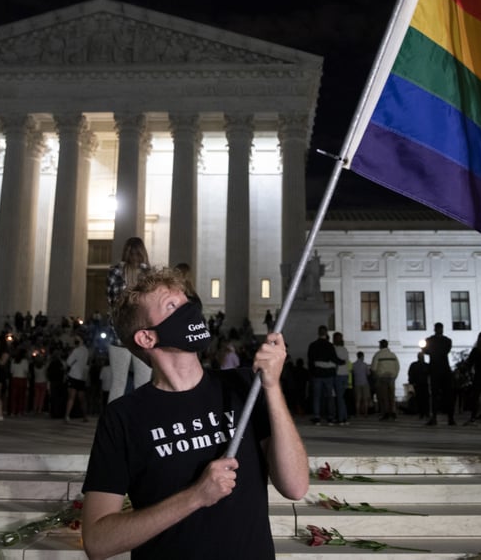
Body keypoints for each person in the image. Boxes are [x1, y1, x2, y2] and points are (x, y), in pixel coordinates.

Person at [79, 266, 308, 558]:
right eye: (172, 306)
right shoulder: (123, 417)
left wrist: (272, 387)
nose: (189, 311)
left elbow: (296, 486)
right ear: (147, 338)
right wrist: (195, 497)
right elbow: (98, 541)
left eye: (186, 302)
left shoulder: (244, 386)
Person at [106, 237, 153, 402]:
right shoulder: (149, 275)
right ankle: (138, 424)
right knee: (141, 384)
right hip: (140, 335)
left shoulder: (115, 272)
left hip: (124, 334)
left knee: (119, 383)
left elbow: (112, 302)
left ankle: (114, 425)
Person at [306, 325, 340, 425]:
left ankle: (317, 417)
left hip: (317, 374)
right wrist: (341, 362)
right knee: (329, 396)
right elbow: (334, 358)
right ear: (326, 333)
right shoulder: (329, 345)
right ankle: (330, 417)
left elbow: (310, 360)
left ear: (318, 332)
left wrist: (312, 372)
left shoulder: (313, 345)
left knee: (317, 396)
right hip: (328, 374)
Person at [425, 322, 455, 426]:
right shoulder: (447, 341)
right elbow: (445, 351)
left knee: (434, 395)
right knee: (448, 394)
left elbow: (426, 351)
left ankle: (434, 418)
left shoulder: (430, 340)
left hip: (434, 369)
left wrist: (431, 350)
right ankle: (450, 418)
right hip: (444, 369)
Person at [370, 338, 400, 421]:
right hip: (391, 378)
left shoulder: (378, 355)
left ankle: (386, 413)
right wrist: (395, 376)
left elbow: (373, 368)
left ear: (380, 345)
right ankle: (393, 412)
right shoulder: (393, 355)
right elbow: (397, 367)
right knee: (391, 396)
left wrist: (375, 377)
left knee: (384, 397)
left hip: (382, 378)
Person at [65, 335, 91, 422]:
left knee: (71, 397)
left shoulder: (76, 350)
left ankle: (67, 416)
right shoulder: (86, 350)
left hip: (73, 375)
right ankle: (85, 416)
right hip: (82, 377)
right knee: (82, 398)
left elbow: (68, 362)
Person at [331, 331, 350, 424]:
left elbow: (335, 361)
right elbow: (345, 361)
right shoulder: (344, 349)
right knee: (341, 397)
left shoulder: (334, 349)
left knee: (338, 397)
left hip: (337, 374)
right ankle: (344, 417)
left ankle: (341, 418)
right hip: (345, 375)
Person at [406, 351, 430, 420]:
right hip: (423, 384)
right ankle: (425, 413)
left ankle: (423, 413)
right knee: (424, 399)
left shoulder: (414, 365)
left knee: (421, 399)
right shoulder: (426, 365)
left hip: (420, 384)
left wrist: (411, 382)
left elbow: (410, 374)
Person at [351, 350, 371, 417]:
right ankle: (365, 413)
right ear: (362, 356)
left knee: (358, 399)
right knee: (365, 399)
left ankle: (357, 413)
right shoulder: (365, 365)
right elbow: (368, 373)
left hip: (357, 383)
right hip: (364, 383)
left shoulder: (353, 365)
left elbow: (353, 373)